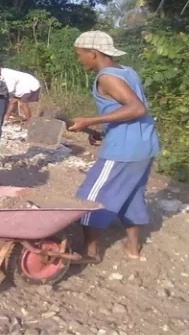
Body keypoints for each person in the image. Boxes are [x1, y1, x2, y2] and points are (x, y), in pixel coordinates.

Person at [68, 31, 160, 263]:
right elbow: (124, 111)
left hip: (124, 150)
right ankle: (133, 247)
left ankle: (89, 252)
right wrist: (102, 131)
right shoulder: (127, 71)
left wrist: (90, 121)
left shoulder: (106, 77)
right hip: (144, 145)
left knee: (91, 196)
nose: (79, 59)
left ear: (93, 53)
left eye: (80, 55)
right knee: (130, 195)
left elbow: (137, 109)